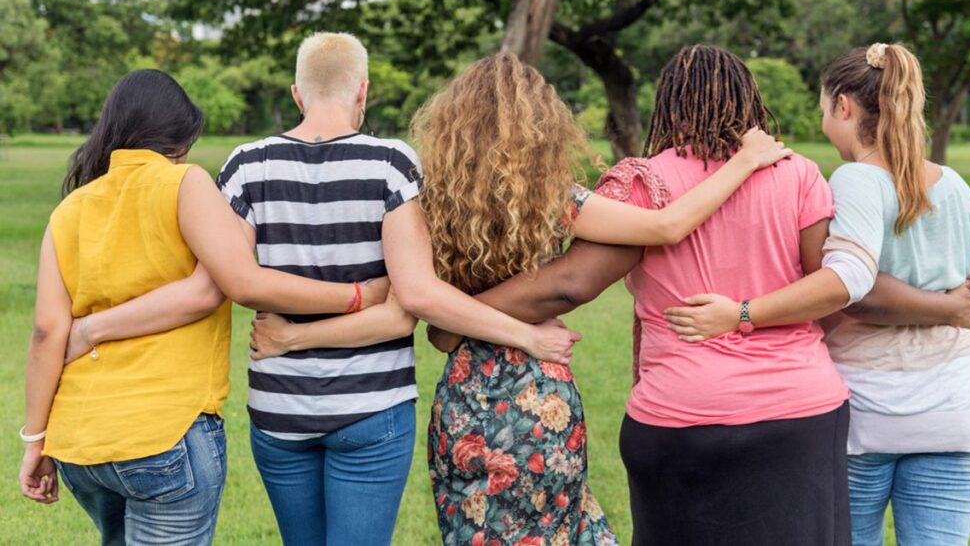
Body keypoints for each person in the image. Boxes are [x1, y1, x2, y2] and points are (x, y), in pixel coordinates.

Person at [430, 44, 970, 546]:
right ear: (750, 99)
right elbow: (827, 290)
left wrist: (459, 317)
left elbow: (571, 284)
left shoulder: (643, 181)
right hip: (800, 412)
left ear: (668, 104)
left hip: (681, 416)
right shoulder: (800, 174)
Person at [48, 35, 584, 546]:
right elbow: (405, 309)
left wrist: (286, 340)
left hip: (280, 409)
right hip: (374, 407)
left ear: (296, 94)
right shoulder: (393, 164)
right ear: (363, 90)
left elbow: (227, 280)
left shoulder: (245, 165)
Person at [253, 51, 793, 545]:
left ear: (451, 125)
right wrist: (744, 161)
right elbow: (668, 226)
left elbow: (423, 309)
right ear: (542, 124)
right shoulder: (556, 197)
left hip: (463, 401)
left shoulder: (426, 199)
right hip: (540, 393)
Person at [17, 69, 394, 545]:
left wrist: (35, 438)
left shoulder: (69, 209)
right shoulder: (184, 184)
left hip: (80, 445)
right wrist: (357, 295)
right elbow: (238, 283)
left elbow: (49, 333)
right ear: (179, 136)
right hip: (163, 433)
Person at [665, 43, 970, 546]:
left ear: (843, 106)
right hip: (960, 411)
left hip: (871, 412)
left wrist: (741, 313)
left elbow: (846, 284)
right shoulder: (955, 185)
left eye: (823, 108)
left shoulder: (856, 179)